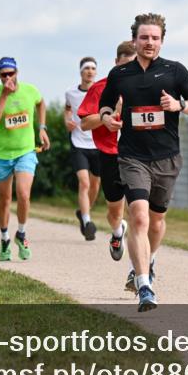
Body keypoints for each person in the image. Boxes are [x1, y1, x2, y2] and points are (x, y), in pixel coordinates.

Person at [98, 13, 188, 311]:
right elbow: (105, 104)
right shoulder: (120, 75)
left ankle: (148, 261)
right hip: (132, 156)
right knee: (139, 217)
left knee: (157, 221)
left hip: (167, 158)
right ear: (135, 40)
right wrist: (107, 118)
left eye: (155, 38)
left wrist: (179, 105)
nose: (149, 43)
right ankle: (145, 285)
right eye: (144, 37)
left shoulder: (174, 71)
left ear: (162, 41)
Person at [0, 57, 50, 261]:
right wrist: (4, 95)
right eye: (3, 74)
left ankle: (21, 234)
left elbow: (41, 103)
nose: (7, 77)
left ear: (17, 72)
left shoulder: (30, 90)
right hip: (1, 153)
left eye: (10, 73)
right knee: (4, 199)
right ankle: (4, 239)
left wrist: (41, 128)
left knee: (23, 193)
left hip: (25, 151)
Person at [78, 41, 137, 261]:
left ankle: (139, 268)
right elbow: (84, 124)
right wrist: (108, 116)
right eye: (125, 65)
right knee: (115, 211)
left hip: (138, 155)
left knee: (138, 211)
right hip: (110, 155)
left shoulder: (145, 87)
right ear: (116, 63)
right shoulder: (100, 88)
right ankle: (116, 232)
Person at [65, 56, 102, 241]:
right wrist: (67, 120)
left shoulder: (102, 91)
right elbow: (67, 109)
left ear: (96, 72)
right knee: (85, 183)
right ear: (81, 71)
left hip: (97, 143)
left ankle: (83, 212)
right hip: (78, 142)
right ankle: (87, 222)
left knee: (95, 184)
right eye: (86, 68)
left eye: (93, 68)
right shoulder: (70, 93)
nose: (90, 71)